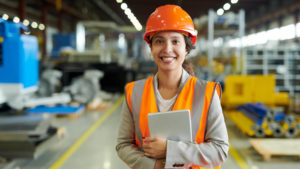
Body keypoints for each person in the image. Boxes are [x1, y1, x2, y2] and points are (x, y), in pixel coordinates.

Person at [116, 4, 228, 169]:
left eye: (175, 41)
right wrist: (154, 166)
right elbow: (123, 145)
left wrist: (170, 149)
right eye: (159, 41)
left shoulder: (206, 93)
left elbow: (220, 151)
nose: (167, 49)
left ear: (187, 48)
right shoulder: (135, 93)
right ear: (151, 47)